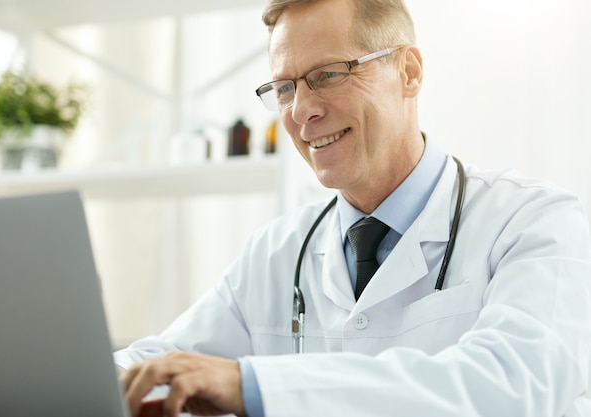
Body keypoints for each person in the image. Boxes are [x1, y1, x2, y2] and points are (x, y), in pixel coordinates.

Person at [116, 0, 591, 416]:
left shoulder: (536, 222)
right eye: (284, 87)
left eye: (327, 75)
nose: (301, 111)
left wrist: (254, 386)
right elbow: (160, 360)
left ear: (409, 72)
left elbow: (513, 389)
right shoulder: (276, 252)